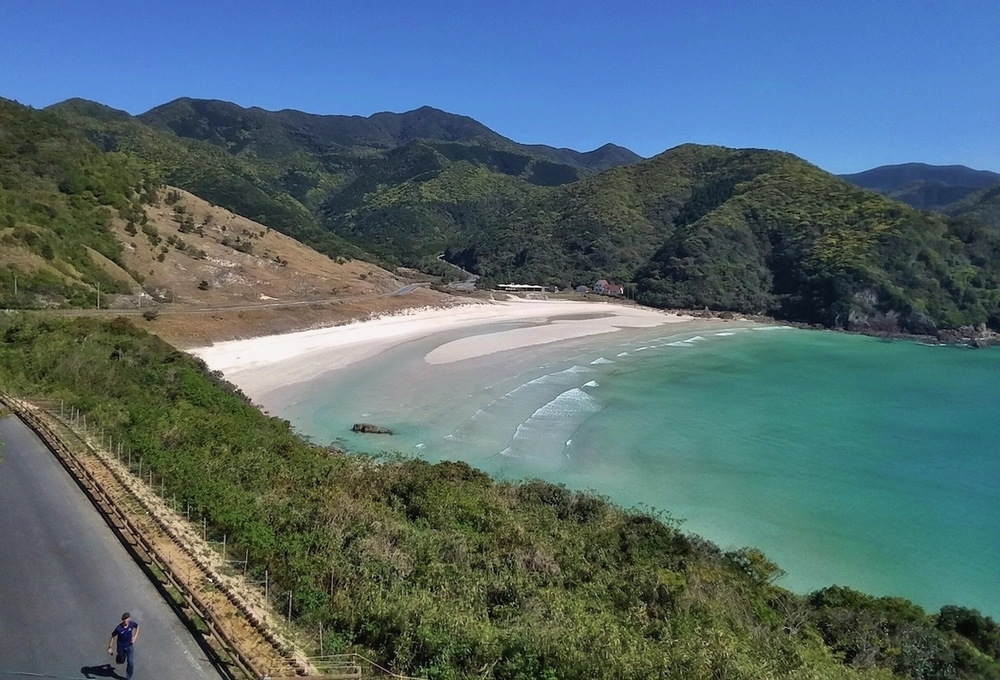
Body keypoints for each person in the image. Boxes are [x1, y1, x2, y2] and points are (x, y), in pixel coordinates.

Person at [108, 612, 140, 679]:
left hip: (129, 646)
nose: (125, 621)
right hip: (121, 647)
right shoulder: (118, 629)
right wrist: (110, 647)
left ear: (129, 619)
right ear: (122, 620)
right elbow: (112, 636)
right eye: (124, 619)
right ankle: (119, 658)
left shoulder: (131, 624)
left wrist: (135, 637)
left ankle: (128, 677)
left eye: (126, 619)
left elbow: (137, 626)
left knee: (130, 662)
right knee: (121, 661)